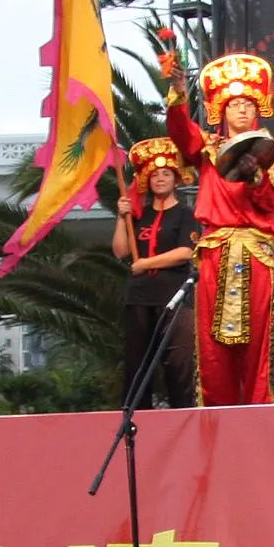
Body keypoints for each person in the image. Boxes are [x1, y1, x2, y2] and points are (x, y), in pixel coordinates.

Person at [164, 53, 274, 405]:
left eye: (248, 105)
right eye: (234, 104)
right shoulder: (207, 149)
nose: (241, 110)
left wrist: (255, 174)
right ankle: (215, 422)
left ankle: (261, 420)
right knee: (211, 348)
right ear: (222, 111)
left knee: (259, 347)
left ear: (258, 110)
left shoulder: (273, 155)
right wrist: (178, 93)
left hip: (256, 254)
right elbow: (180, 134)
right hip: (215, 253)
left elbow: (273, 201)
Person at [111, 135, 199, 408]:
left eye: (166, 174)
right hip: (139, 297)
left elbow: (186, 252)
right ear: (147, 180)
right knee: (137, 364)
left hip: (175, 297)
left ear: (176, 179)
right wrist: (121, 216)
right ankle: (136, 421)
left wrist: (146, 264)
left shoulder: (186, 215)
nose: (160, 179)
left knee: (179, 362)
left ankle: (183, 418)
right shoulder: (140, 215)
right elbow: (121, 252)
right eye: (155, 175)